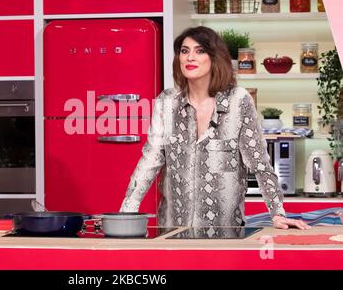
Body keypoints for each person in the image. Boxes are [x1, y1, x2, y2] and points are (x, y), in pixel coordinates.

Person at [120, 26, 310, 230]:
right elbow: (150, 161)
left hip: (225, 235)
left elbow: (259, 163)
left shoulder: (238, 101)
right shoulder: (166, 103)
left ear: (214, 57)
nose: (190, 57)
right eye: (184, 51)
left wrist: (277, 213)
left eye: (200, 51)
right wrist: (126, 213)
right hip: (172, 231)